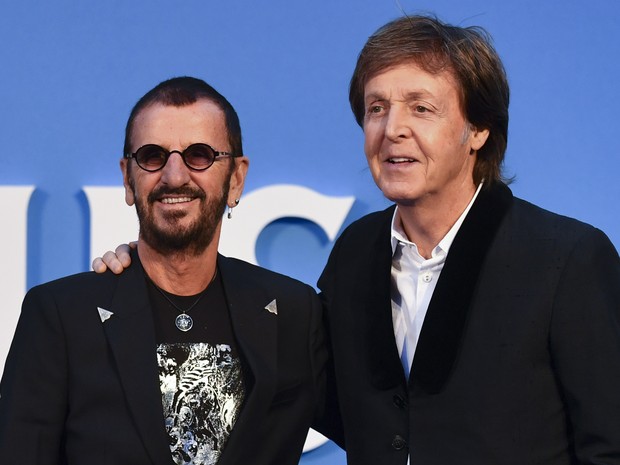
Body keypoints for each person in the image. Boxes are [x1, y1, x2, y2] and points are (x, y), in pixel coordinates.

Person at [91, 14, 620, 465]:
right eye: (375, 108)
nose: (392, 129)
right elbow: (285, 372)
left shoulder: (565, 260)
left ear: (477, 130)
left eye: (422, 107)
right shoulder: (355, 257)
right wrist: (150, 269)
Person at [0, 77, 329, 465]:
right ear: (128, 178)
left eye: (200, 155)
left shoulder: (293, 313)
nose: (174, 176)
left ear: (236, 178)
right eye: (153, 156)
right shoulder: (61, 315)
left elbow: (386, 424)